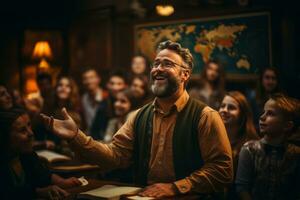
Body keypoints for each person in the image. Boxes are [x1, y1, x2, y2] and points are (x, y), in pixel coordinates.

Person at [41, 40, 233, 198]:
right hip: (144, 196)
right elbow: (114, 156)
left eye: (167, 64)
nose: (158, 68)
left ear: (185, 74)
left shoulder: (205, 116)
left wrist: (175, 187)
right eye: (156, 63)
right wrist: (76, 136)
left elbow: (223, 170)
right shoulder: (139, 115)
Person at [0, 108, 81, 199]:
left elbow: (43, 175)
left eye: (29, 125)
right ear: (4, 137)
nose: (31, 133)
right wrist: (38, 192)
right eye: (22, 130)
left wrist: (62, 182)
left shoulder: (27, 154)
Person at [235, 93, 300, 200]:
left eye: (270, 114)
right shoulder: (250, 149)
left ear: (287, 125)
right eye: (263, 112)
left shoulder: (296, 154)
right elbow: (242, 188)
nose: (262, 117)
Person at [218, 91, 259, 199]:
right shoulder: (212, 139)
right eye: (222, 106)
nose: (224, 110)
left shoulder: (251, 145)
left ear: (242, 114)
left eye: (231, 107)